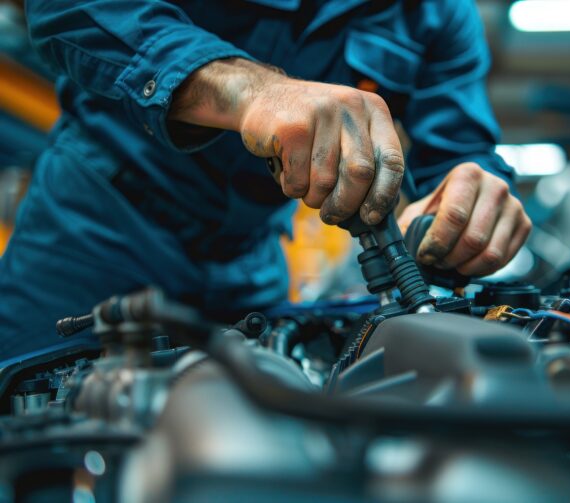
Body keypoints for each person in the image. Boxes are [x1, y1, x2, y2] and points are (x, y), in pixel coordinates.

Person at [0, 0, 530, 357]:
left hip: (250, 263)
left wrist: (473, 189)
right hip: (93, 232)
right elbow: (65, 8)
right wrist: (252, 92)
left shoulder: (437, 14)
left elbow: (461, 151)